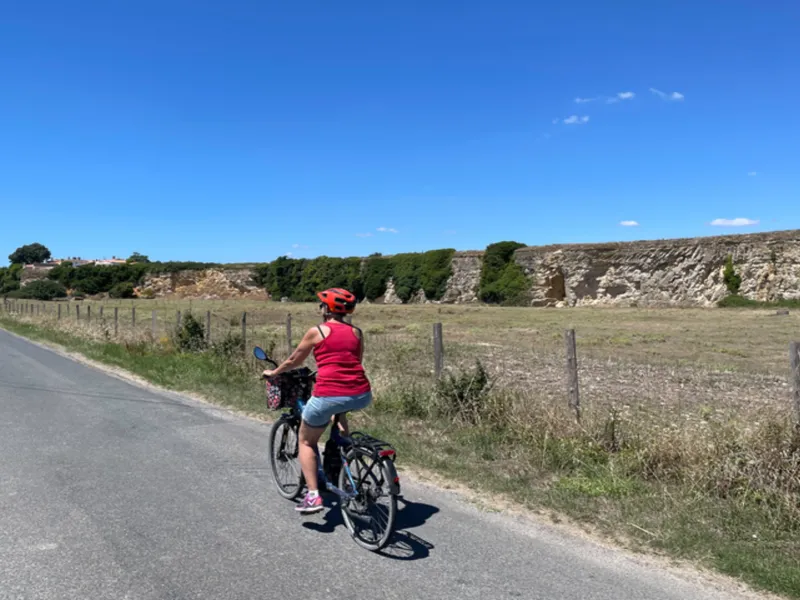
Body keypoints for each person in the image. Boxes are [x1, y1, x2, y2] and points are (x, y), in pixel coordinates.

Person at [262, 288, 372, 513]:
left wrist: (274, 373)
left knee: (306, 441)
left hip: (329, 393)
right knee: (339, 411)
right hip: (361, 393)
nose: (320, 308)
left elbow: (294, 360)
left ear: (327, 309)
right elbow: (354, 362)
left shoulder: (317, 331)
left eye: (322, 305)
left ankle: (313, 496)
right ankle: (343, 447)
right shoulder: (357, 332)